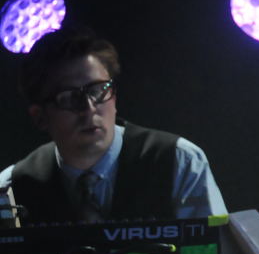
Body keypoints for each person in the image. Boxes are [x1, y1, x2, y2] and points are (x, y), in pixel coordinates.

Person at [0, 26, 227, 225]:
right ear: (39, 117)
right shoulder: (11, 187)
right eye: (68, 97)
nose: (89, 108)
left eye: (98, 90)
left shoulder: (178, 161)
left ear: (114, 96)